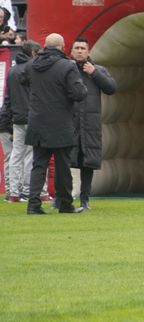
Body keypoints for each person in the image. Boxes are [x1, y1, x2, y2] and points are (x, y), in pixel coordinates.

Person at [25, 33, 87, 214]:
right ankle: (65, 204)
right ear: (63, 46)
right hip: (61, 122)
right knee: (62, 166)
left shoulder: (32, 65)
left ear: (45, 45)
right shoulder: (67, 66)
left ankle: (33, 205)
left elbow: (22, 80)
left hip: (37, 120)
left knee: (38, 165)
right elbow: (79, 93)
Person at [69, 37, 116, 210]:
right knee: (66, 160)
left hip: (90, 123)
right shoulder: (66, 69)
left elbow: (111, 88)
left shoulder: (98, 70)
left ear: (88, 51)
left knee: (87, 163)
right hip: (70, 123)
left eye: (83, 48)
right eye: (77, 48)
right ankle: (61, 198)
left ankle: (85, 199)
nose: (80, 51)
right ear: (71, 52)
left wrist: (94, 73)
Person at [4, 40, 41, 203]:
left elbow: (8, 99)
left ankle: (13, 192)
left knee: (16, 155)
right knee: (30, 155)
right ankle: (27, 190)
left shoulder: (12, 71)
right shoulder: (33, 70)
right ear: (33, 53)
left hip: (17, 119)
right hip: (32, 117)